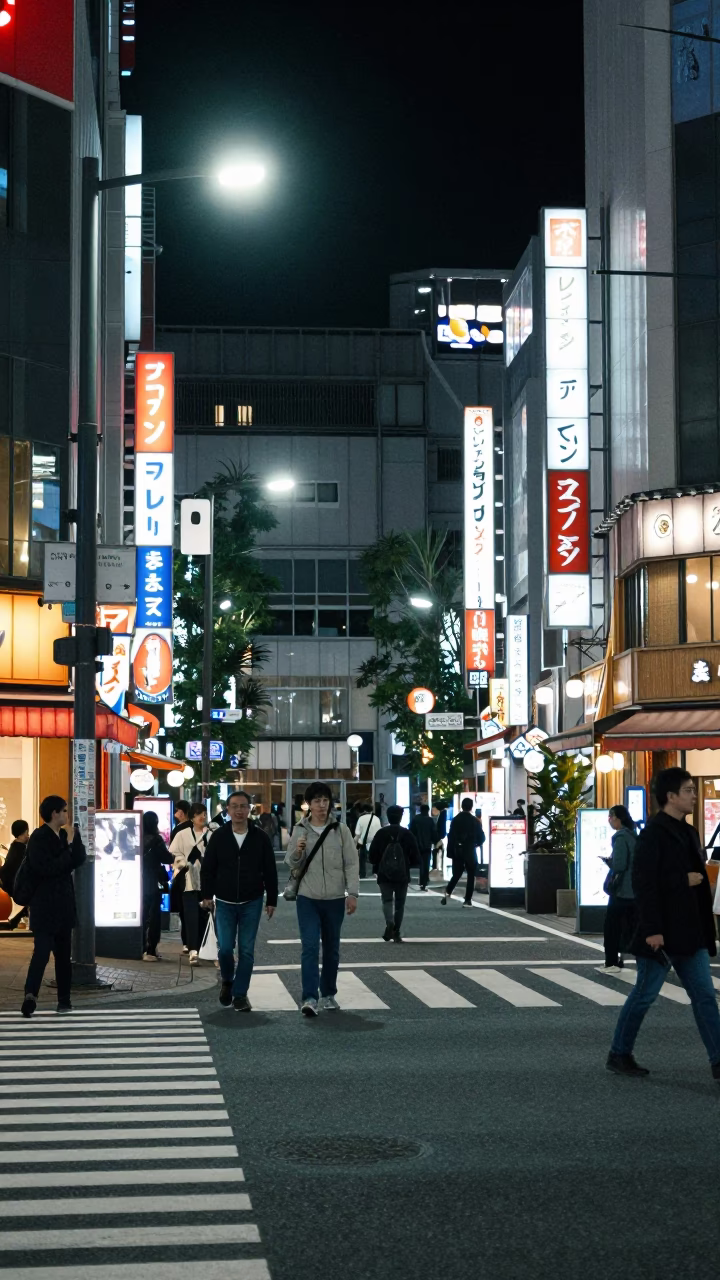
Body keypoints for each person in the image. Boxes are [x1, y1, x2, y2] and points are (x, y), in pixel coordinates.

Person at [607, 768, 720, 1083]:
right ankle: (619, 1052)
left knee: (705, 996)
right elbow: (644, 883)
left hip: (690, 930)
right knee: (644, 995)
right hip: (661, 931)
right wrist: (654, 927)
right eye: (688, 790)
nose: (693, 795)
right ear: (670, 797)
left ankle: (718, 1060)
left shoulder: (688, 831)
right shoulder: (654, 833)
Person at [285, 781, 359, 1016]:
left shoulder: (340, 830)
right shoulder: (300, 829)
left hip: (335, 897)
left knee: (331, 948)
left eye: (325, 800)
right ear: (308, 804)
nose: (322, 805)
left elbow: (351, 863)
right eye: (317, 801)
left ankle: (328, 994)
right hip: (308, 896)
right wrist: (298, 851)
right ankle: (309, 997)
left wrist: (353, 893)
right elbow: (291, 863)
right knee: (309, 946)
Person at [201, 790, 278, 1011]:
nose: (239, 810)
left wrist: (271, 899)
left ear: (249, 809)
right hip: (224, 901)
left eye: (243, 806)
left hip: (251, 901)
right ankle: (227, 980)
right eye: (234, 806)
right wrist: (207, 896)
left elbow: (270, 871)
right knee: (225, 949)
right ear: (228, 809)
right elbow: (208, 869)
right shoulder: (220, 836)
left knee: (246, 950)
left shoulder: (260, 837)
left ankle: (240, 994)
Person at [20, 796, 86, 1017]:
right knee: (42, 952)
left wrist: (76, 840)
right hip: (44, 905)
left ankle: (64, 1000)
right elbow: (46, 868)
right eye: (65, 811)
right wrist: (67, 852)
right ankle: (31, 994)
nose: (67, 815)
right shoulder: (39, 838)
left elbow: (78, 860)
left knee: (63, 955)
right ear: (55, 813)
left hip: (63, 905)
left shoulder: (62, 836)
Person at [170, 802, 216, 965]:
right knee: (190, 915)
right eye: (199, 814)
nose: (203, 817)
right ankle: (193, 949)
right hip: (188, 880)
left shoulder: (212, 834)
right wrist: (184, 862)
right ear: (192, 817)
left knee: (207, 914)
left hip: (208, 881)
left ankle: (207, 948)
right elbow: (174, 853)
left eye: (204, 813)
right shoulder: (182, 834)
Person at [369, 805, 418, 942]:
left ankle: (389, 922)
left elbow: (372, 855)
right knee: (400, 903)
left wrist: (377, 864)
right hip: (402, 874)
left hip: (384, 873)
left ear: (388, 816)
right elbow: (415, 856)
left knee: (387, 900)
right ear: (401, 817)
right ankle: (396, 931)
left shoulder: (381, 833)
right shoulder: (407, 834)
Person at [603, 804, 637, 972]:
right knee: (631, 926)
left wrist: (609, 862)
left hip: (622, 890)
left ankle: (611, 962)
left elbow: (620, 865)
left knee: (612, 927)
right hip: (635, 891)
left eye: (610, 817)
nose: (609, 820)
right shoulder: (633, 835)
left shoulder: (621, 837)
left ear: (617, 818)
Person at [441, 798, 485, 907]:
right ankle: (468, 900)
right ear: (471, 807)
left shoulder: (456, 820)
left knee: (456, 874)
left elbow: (450, 836)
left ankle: (448, 891)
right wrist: (476, 844)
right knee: (471, 875)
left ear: (462, 806)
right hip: (470, 850)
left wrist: (451, 851)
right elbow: (482, 837)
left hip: (458, 850)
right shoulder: (475, 821)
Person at [141, 811, 170, 961]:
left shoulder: (137, 838)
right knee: (154, 917)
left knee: (142, 915)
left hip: (138, 881)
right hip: (153, 881)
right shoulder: (157, 840)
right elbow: (166, 857)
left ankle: (140, 948)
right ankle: (151, 949)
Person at [0, 819, 30, 930]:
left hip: (12, 884)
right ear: (24, 832)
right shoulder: (21, 850)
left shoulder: (14, 847)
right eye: (27, 832)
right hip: (17, 885)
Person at [410, 804, 439, 891]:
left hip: (417, 844)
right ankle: (424, 882)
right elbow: (434, 833)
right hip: (427, 845)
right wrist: (436, 841)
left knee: (419, 863)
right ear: (427, 810)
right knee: (426, 864)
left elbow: (411, 831)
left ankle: (420, 880)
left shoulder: (416, 819)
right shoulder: (430, 820)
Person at [354, 804, 381, 879]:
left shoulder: (361, 819)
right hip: (375, 842)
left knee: (362, 859)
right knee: (376, 858)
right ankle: (375, 872)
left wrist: (354, 844)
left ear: (363, 810)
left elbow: (358, 834)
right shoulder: (376, 818)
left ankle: (362, 874)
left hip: (363, 842)